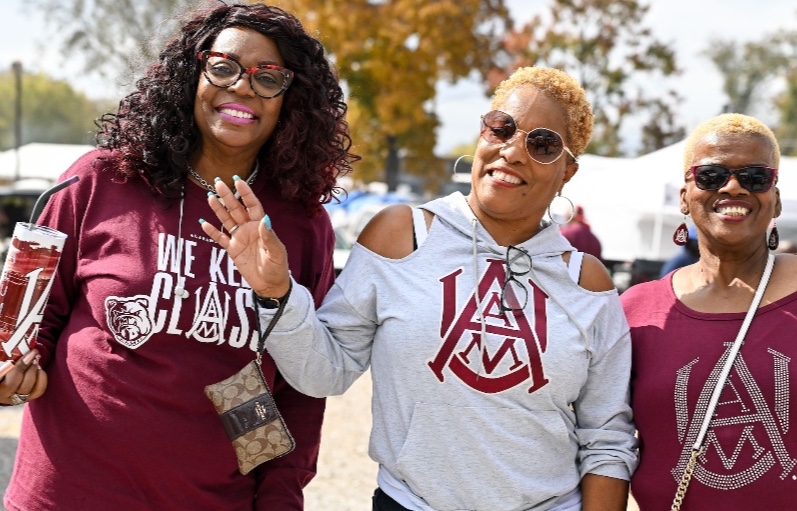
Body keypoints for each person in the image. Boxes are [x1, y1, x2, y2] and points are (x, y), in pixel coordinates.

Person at [203, 66, 638, 511]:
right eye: (500, 128)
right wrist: (277, 292)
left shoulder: (586, 282)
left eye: (542, 144)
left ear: (567, 171)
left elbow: (606, 436)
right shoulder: (401, 235)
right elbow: (325, 372)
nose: (511, 151)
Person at [1, 3, 358, 510]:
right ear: (192, 73)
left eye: (268, 77)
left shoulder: (301, 225)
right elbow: (31, 325)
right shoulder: (101, 180)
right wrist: (13, 376)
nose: (241, 87)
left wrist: (280, 498)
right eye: (223, 67)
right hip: (65, 495)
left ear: (290, 96)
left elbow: (301, 389)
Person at [621, 113, 797, 510]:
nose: (733, 187)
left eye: (755, 177)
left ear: (777, 199)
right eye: (711, 175)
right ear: (684, 195)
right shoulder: (636, 311)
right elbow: (601, 442)